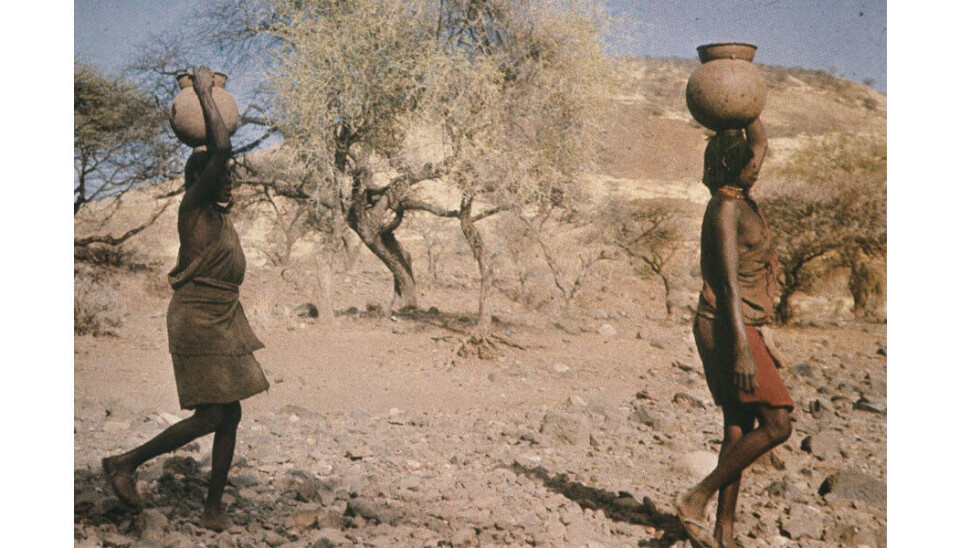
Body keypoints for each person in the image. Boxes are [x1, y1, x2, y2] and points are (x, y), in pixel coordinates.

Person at [102, 66, 269, 532]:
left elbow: (220, 155)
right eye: (222, 175)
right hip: (197, 318)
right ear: (202, 180)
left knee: (230, 411)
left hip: (223, 318)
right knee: (213, 412)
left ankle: (212, 509)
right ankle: (124, 462)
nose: (229, 179)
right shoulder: (194, 209)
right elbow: (219, 147)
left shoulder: (219, 218)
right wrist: (203, 93)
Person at [676, 117, 793, 548]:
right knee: (778, 424)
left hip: (742, 326)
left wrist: (745, 106)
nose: (757, 165)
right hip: (726, 326)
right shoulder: (726, 210)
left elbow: (760, 140)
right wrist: (745, 349)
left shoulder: (741, 195)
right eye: (748, 162)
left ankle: (724, 533)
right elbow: (726, 286)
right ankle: (696, 497)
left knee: (739, 428)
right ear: (731, 165)